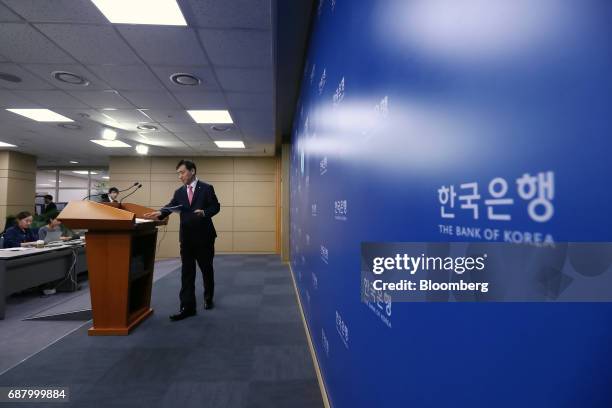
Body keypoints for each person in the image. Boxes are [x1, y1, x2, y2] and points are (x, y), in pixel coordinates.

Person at [144, 159, 220, 321]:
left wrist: (205, 212)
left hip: (205, 237)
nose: (180, 176)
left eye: (182, 172)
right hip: (186, 238)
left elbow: (215, 206)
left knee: (206, 269)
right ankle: (187, 306)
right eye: (178, 173)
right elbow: (171, 206)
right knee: (187, 272)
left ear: (192, 171)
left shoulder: (206, 188)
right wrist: (160, 213)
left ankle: (208, 298)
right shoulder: (179, 192)